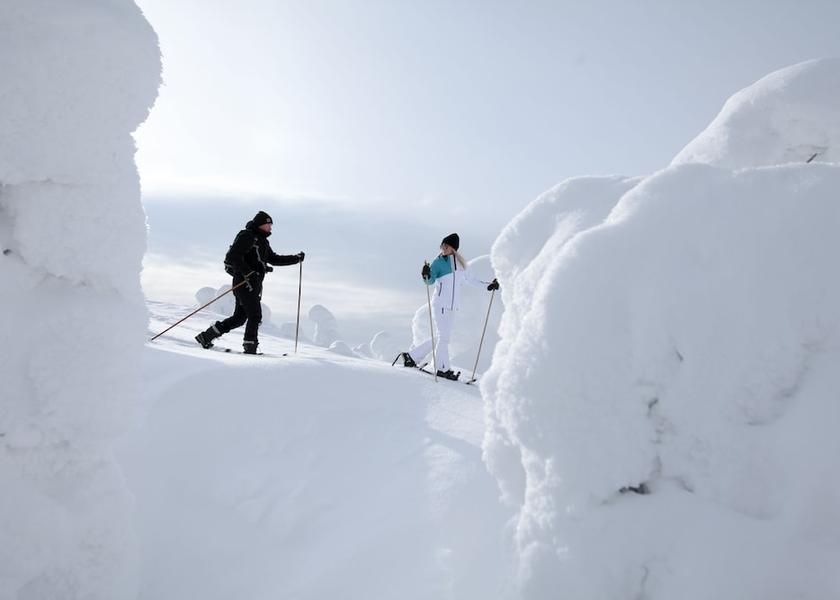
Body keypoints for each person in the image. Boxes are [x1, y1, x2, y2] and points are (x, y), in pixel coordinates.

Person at [195, 211, 304, 354]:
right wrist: (248, 272)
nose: (270, 228)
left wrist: (295, 258)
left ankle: (206, 336)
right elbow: (233, 256)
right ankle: (250, 347)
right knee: (255, 315)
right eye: (268, 225)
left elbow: (274, 259)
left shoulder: (263, 241)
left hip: (252, 285)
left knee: (239, 319)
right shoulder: (247, 236)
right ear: (261, 224)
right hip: (244, 283)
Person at [398, 233, 499, 380]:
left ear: (453, 248)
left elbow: (472, 280)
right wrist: (425, 274)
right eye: (442, 245)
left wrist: (489, 286)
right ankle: (442, 368)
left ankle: (412, 357)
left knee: (441, 337)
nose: (443, 248)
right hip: (440, 305)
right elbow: (430, 281)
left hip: (452, 307)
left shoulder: (461, 265)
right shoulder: (438, 262)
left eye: (446, 246)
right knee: (444, 338)